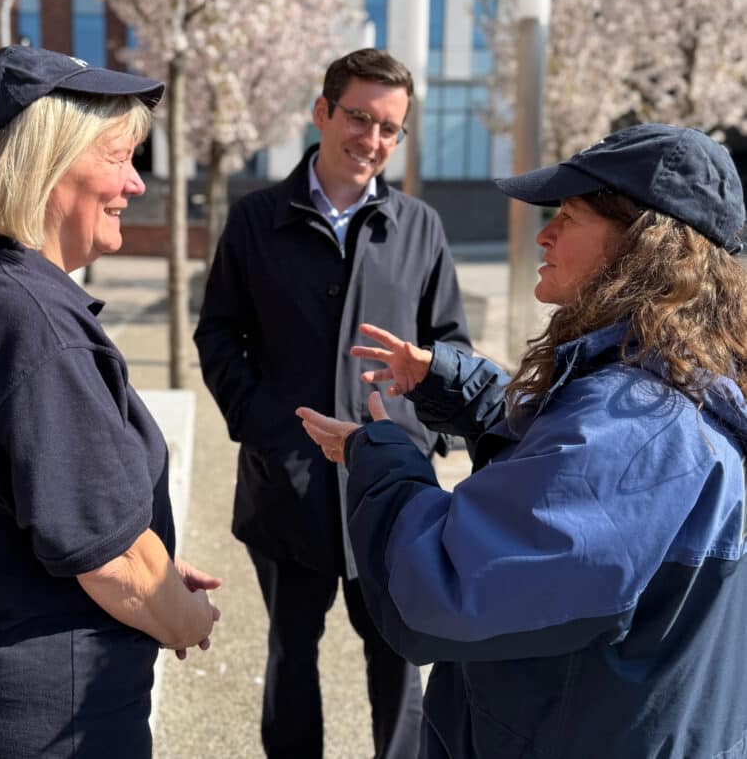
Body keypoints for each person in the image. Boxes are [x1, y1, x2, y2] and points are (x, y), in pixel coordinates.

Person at [297, 123, 747, 758]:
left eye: (570, 215)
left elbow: (445, 587)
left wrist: (383, 456)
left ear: (644, 248)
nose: (545, 233)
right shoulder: (680, 375)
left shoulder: (639, 422)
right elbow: (571, 455)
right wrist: (464, 388)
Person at [0, 46, 221, 758]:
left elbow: (42, 507)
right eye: (118, 157)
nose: (135, 184)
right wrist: (181, 612)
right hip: (51, 717)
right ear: (45, 163)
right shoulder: (28, 321)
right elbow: (113, 565)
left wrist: (154, 565)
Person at [194, 48, 471, 758]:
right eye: (358, 118)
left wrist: (420, 437)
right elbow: (218, 330)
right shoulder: (256, 220)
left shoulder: (419, 228)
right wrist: (263, 427)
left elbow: (450, 346)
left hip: (393, 490)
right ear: (321, 112)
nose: (371, 141)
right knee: (290, 656)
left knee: (399, 661)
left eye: (389, 128)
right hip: (285, 488)